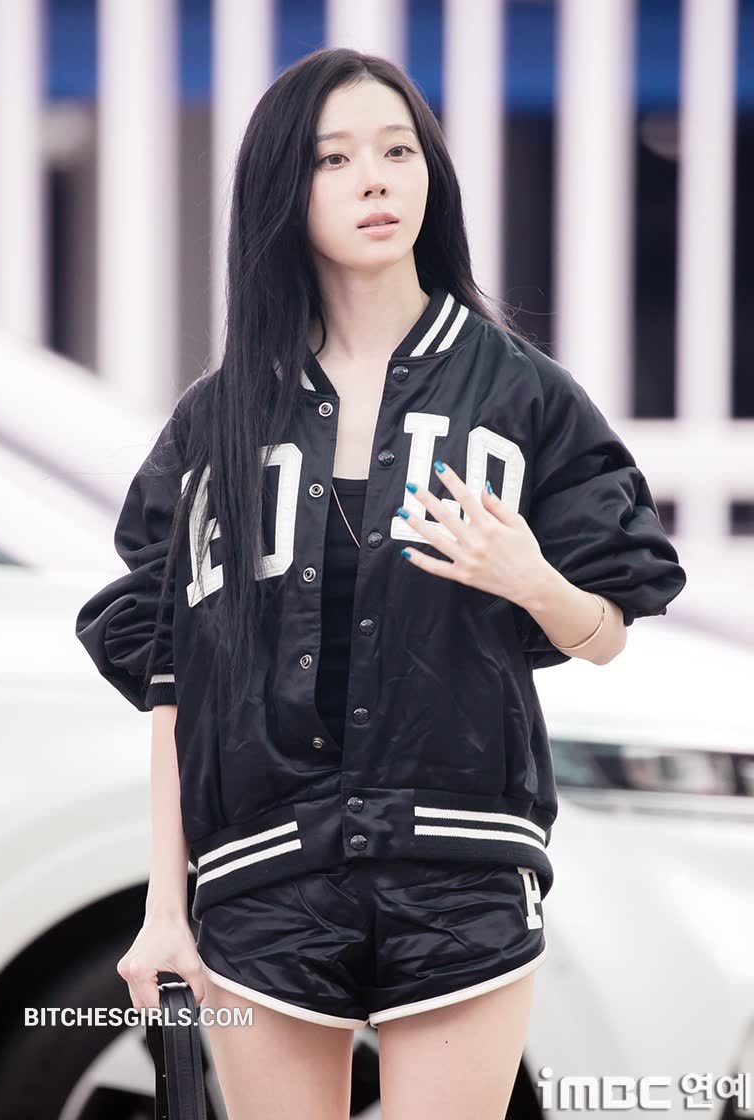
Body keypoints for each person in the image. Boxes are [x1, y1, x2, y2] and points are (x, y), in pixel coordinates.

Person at [75, 47, 686, 1120]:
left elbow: (606, 629)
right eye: (335, 158)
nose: (375, 180)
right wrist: (165, 904)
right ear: (283, 190)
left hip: (459, 860)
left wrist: (531, 579)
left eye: (398, 151)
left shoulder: (519, 393)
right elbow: (174, 673)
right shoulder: (222, 416)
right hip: (264, 869)